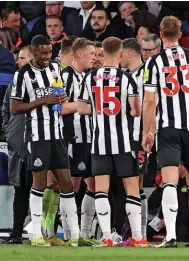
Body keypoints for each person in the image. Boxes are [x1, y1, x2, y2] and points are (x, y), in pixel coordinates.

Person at [142, 16, 189, 248]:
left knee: (170, 182)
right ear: (181, 33)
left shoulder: (154, 62)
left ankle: (171, 236)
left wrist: (147, 132)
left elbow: (149, 102)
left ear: (161, 34)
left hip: (167, 128)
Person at [76, 37, 148, 247]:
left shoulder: (89, 78)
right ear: (120, 52)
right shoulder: (127, 79)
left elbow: (81, 109)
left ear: (102, 53)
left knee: (101, 189)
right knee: (132, 187)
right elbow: (136, 110)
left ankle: (106, 236)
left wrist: (99, 112)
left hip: (99, 142)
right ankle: (137, 236)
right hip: (123, 142)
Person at [10, 35, 79, 246]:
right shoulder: (22, 75)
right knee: (39, 184)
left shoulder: (55, 69)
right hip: (36, 136)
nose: (47, 56)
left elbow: (59, 97)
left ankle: (74, 236)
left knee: (66, 183)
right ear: (33, 52)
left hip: (57, 135)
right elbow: (15, 108)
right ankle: (36, 235)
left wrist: (61, 100)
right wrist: (41, 101)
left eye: (49, 52)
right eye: (43, 53)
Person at [59, 38, 98, 245]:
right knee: (71, 185)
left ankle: (84, 233)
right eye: (91, 54)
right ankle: (68, 233)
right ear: (80, 54)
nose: (94, 57)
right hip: (72, 137)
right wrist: (86, 106)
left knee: (92, 183)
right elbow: (60, 108)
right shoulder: (64, 76)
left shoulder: (88, 77)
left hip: (89, 136)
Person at [120, 38, 158, 241]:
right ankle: (138, 234)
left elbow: (152, 106)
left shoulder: (146, 75)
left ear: (128, 53)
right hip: (126, 137)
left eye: (120, 53)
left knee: (135, 184)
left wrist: (149, 133)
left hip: (138, 137)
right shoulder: (126, 75)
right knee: (134, 185)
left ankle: (139, 235)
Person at [0, 46, 33, 245]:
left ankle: (44, 231)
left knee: (42, 188)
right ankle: (16, 233)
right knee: (20, 190)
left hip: (40, 143)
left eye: (22, 58)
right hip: (19, 144)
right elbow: (5, 109)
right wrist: (11, 132)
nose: (18, 62)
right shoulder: (14, 83)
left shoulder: (43, 81)